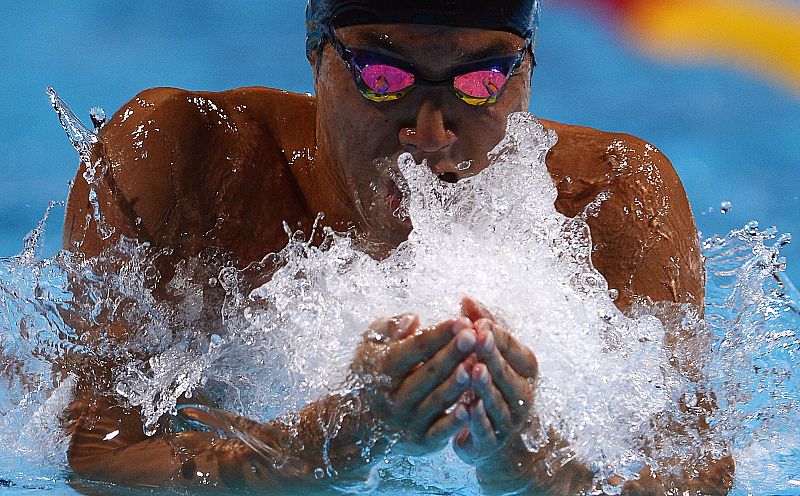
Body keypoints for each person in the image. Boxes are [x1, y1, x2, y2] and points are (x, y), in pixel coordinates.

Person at [62, 0, 734, 494]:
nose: (433, 133)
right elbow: (95, 454)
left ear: (528, 68)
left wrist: (535, 469)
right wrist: (306, 451)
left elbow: (693, 471)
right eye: (384, 77)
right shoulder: (186, 162)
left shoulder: (612, 194)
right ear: (316, 53)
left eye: (480, 83)